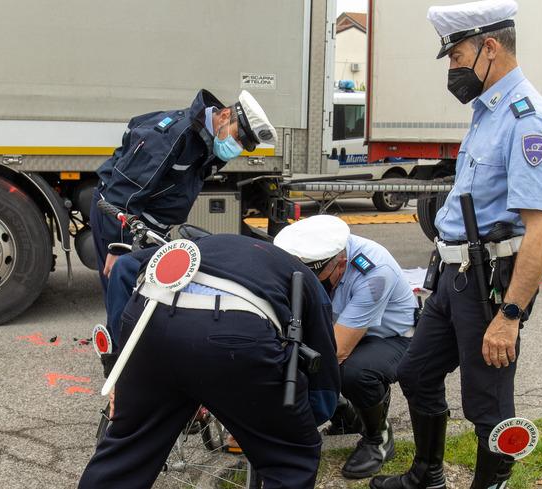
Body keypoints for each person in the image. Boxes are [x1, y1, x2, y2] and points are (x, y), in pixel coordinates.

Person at [371, 1, 542, 488]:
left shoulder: (527, 120)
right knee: (415, 372)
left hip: (489, 285)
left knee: (489, 405)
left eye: (456, 57)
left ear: (489, 48)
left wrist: (510, 317)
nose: (453, 69)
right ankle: (426, 475)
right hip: (454, 277)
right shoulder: (488, 111)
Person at [78, 234, 340, 489]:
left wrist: (120, 367)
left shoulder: (212, 243)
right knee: (292, 457)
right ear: (331, 266)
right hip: (231, 336)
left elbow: (124, 266)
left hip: (148, 319)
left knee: (127, 450)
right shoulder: (305, 279)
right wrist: (296, 422)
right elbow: (324, 382)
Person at [89, 89, 277, 326]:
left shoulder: (210, 144)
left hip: (151, 228)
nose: (236, 146)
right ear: (225, 114)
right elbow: (124, 190)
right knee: (124, 301)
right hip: (122, 220)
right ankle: (117, 358)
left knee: (148, 300)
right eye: (238, 137)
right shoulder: (173, 135)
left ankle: (138, 353)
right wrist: (117, 246)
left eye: (243, 144)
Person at [274, 215, 416, 480]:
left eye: (316, 277)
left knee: (353, 372)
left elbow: (338, 350)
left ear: (341, 263)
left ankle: (378, 438)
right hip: (339, 327)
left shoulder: (374, 272)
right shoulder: (314, 256)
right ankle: (344, 416)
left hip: (391, 337)